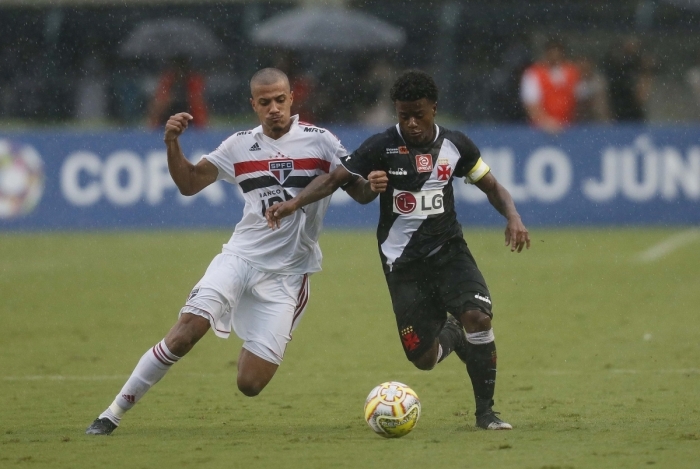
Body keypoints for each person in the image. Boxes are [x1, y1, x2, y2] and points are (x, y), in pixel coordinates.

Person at [85, 68, 375, 435]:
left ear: (291, 99)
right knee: (184, 334)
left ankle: (255, 333)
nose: (274, 108)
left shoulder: (322, 142)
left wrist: (373, 186)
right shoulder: (239, 145)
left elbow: (358, 191)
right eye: (265, 102)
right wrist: (172, 144)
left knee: (250, 383)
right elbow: (190, 183)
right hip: (239, 259)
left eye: (280, 100)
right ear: (253, 105)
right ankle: (111, 414)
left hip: (288, 275)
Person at [266, 70, 530, 430]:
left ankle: (486, 414)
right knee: (423, 358)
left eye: (418, 114)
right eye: (404, 115)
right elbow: (335, 180)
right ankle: (454, 333)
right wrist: (295, 203)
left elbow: (493, 187)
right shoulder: (381, 146)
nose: (411, 123)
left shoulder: (456, 145)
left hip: (450, 253)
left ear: (433, 108)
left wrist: (513, 216)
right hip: (403, 265)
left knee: (479, 318)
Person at [520, 39, 581, 133]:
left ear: (563, 54)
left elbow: (581, 101)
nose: (555, 57)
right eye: (551, 53)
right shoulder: (533, 73)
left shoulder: (573, 72)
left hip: (570, 127)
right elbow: (531, 104)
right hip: (539, 129)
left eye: (558, 54)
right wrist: (546, 122)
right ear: (546, 54)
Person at [147, 55, 208, 128]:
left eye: (181, 68)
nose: (180, 72)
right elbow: (159, 104)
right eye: (178, 68)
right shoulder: (168, 81)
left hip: (191, 121)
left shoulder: (193, 81)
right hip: (167, 120)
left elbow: (198, 104)